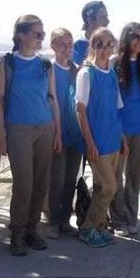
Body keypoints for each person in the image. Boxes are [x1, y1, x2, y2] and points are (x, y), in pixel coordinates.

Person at [0, 14, 62, 256]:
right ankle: (17, 232)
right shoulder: (8, 63)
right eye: (37, 33)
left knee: (42, 182)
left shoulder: (45, 64)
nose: (41, 38)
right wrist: (0, 135)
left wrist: (58, 132)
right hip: (18, 129)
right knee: (24, 184)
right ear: (21, 35)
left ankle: (32, 229)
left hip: (45, 127)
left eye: (42, 33)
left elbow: (52, 100)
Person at [75, 27, 127, 247]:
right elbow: (80, 110)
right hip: (98, 144)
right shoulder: (87, 73)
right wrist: (90, 143)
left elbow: (116, 109)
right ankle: (87, 228)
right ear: (92, 46)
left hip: (114, 140)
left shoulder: (112, 73)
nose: (104, 49)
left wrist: (123, 139)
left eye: (108, 44)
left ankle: (98, 227)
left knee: (102, 187)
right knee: (109, 187)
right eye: (99, 44)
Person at [111, 23, 140, 236]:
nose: (138, 41)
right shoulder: (115, 63)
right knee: (116, 175)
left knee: (134, 175)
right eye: (134, 36)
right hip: (121, 127)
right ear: (125, 39)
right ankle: (117, 219)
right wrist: (118, 132)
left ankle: (130, 219)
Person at [47, 27, 84, 238]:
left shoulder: (76, 70)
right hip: (55, 131)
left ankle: (64, 221)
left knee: (70, 178)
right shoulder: (48, 69)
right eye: (62, 44)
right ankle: (53, 219)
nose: (67, 48)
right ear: (53, 46)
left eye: (69, 44)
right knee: (57, 178)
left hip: (74, 132)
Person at [73, 1, 109, 66]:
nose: (108, 21)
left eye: (107, 17)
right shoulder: (78, 45)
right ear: (90, 21)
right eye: (103, 17)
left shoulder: (109, 44)